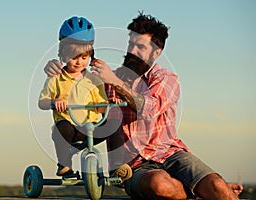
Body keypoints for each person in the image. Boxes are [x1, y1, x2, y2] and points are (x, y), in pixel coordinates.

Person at [44, 13, 243, 200]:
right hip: (135, 165)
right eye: (131, 44)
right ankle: (198, 189)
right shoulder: (108, 79)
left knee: (217, 186)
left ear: (157, 52)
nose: (132, 51)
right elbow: (79, 85)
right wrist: (59, 69)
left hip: (171, 154)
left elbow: (149, 109)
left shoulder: (165, 79)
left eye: (140, 47)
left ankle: (207, 187)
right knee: (161, 186)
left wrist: (115, 82)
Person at [38, 16, 132, 180]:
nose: (78, 62)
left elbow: (102, 104)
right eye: (74, 57)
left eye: (84, 57)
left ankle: (117, 166)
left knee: (115, 124)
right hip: (71, 129)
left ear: (90, 56)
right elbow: (42, 102)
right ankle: (65, 165)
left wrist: (108, 105)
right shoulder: (55, 79)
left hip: (92, 128)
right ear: (62, 54)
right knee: (62, 128)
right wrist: (54, 102)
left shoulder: (94, 80)